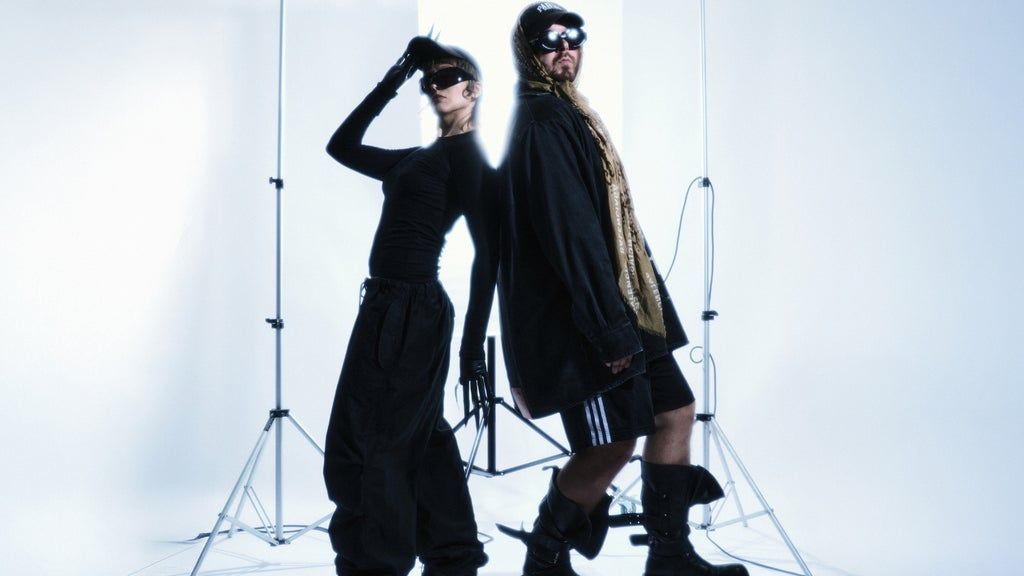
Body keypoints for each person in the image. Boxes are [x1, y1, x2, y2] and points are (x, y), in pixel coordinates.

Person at [496, 3, 749, 576]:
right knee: (610, 445)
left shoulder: (569, 110)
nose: (565, 48)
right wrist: (609, 330)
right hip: (584, 321)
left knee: (675, 411)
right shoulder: (542, 122)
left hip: (628, 307)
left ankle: (670, 558)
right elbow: (571, 235)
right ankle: (545, 559)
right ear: (527, 53)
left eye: (574, 36)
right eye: (549, 40)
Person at [322, 37, 497, 576]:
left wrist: (472, 349)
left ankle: (374, 565)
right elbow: (341, 146)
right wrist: (398, 73)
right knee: (419, 435)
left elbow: (490, 255)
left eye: (446, 78)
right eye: (429, 80)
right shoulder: (419, 158)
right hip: (386, 306)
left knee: (368, 438)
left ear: (473, 90)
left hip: (413, 310)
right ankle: (454, 557)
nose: (433, 86)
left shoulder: (469, 158)